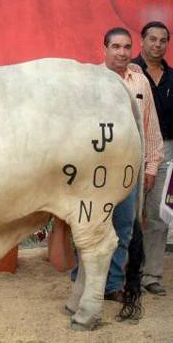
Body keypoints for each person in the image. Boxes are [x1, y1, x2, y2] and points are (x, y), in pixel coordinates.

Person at [72, 27, 164, 303]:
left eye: (126, 47)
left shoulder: (140, 82)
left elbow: (149, 127)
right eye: (116, 47)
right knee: (87, 226)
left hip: (128, 170)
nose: (122, 52)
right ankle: (82, 281)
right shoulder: (89, 80)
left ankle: (112, 285)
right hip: (94, 168)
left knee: (123, 227)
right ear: (105, 48)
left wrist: (150, 167)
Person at [131, 21, 173, 297]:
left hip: (166, 151)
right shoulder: (128, 72)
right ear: (142, 41)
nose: (157, 45)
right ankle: (123, 274)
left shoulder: (172, 77)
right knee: (128, 215)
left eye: (163, 40)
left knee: (158, 215)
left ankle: (151, 275)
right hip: (131, 147)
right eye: (152, 39)